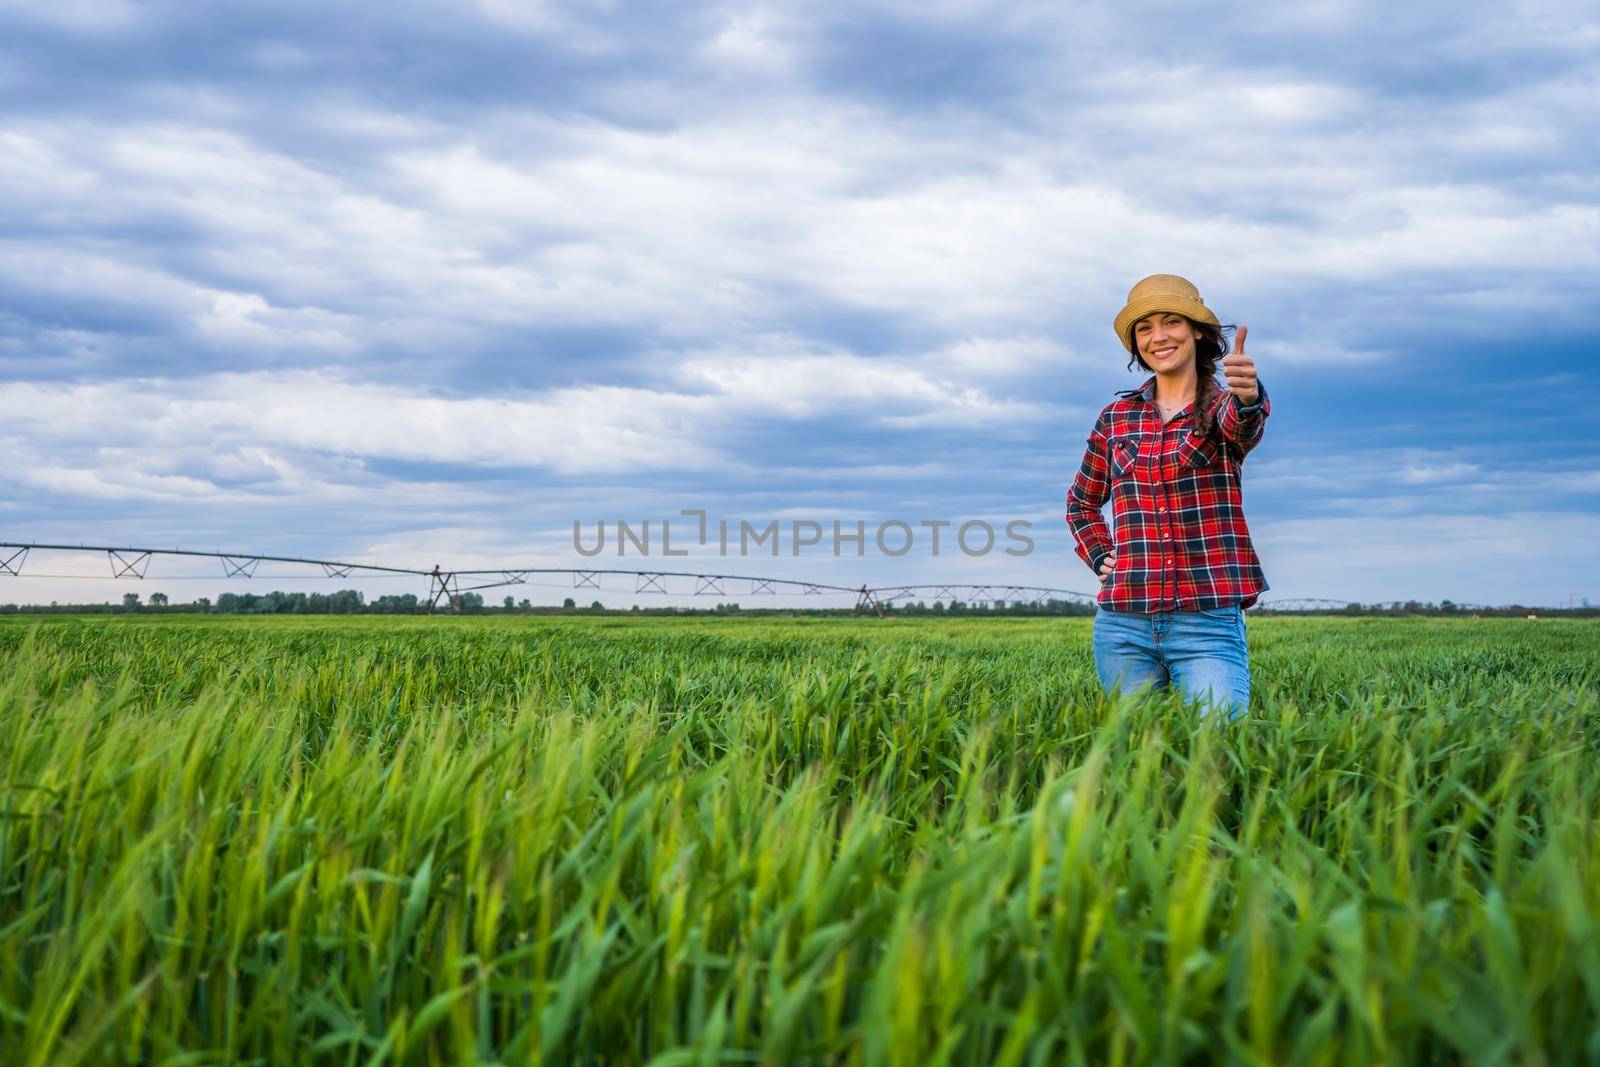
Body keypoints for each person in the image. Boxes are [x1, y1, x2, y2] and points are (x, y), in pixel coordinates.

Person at [1064, 274, 1271, 719]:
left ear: (1197, 330)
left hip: (1207, 621)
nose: (1158, 336)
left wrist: (1248, 394)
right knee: (1137, 754)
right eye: (1144, 328)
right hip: (1123, 623)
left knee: (1217, 747)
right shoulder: (1116, 418)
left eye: (1171, 321)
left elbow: (1243, 424)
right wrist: (1100, 555)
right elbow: (1081, 502)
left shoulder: (1222, 405)